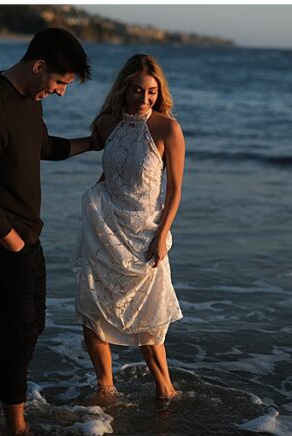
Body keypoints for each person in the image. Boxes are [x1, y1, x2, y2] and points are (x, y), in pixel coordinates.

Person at [0, 27, 97, 435]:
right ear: (38, 66)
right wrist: (12, 240)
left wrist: (92, 143)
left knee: (29, 325)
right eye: (60, 82)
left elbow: (42, 146)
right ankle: (17, 429)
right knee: (21, 333)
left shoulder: (29, 102)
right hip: (1, 242)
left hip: (26, 237)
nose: (61, 92)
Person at [73, 54, 185, 402]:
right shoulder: (107, 124)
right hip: (105, 228)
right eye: (138, 91)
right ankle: (105, 391)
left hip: (144, 234)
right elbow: (111, 172)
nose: (145, 98)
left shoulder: (168, 128)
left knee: (149, 321)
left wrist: (162, 237)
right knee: (92, 314)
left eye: (152, 92)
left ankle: (165, 391)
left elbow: (175, 190)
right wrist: (95, 198)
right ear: (125, 89)